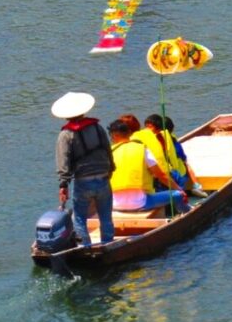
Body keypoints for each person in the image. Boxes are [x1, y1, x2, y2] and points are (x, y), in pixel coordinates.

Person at [52, 91, 115, 246]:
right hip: (103, 176)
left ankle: (85, 246)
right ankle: (108, 244)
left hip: (83, 180)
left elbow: (63, 160)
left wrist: (63, 184)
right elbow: (107, 150)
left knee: (80, 217)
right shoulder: (97, 127)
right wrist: (110, 169)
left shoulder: (66, 134)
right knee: (106, 216)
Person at [108, 120, 188, 214]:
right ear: (130, 133)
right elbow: (162, 176)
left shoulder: (109, 153)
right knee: (178, 194)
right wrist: (179, 190)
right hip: (140, 203)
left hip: (114, 205)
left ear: (112, 136)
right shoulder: (142, 149)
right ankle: (186, 212)